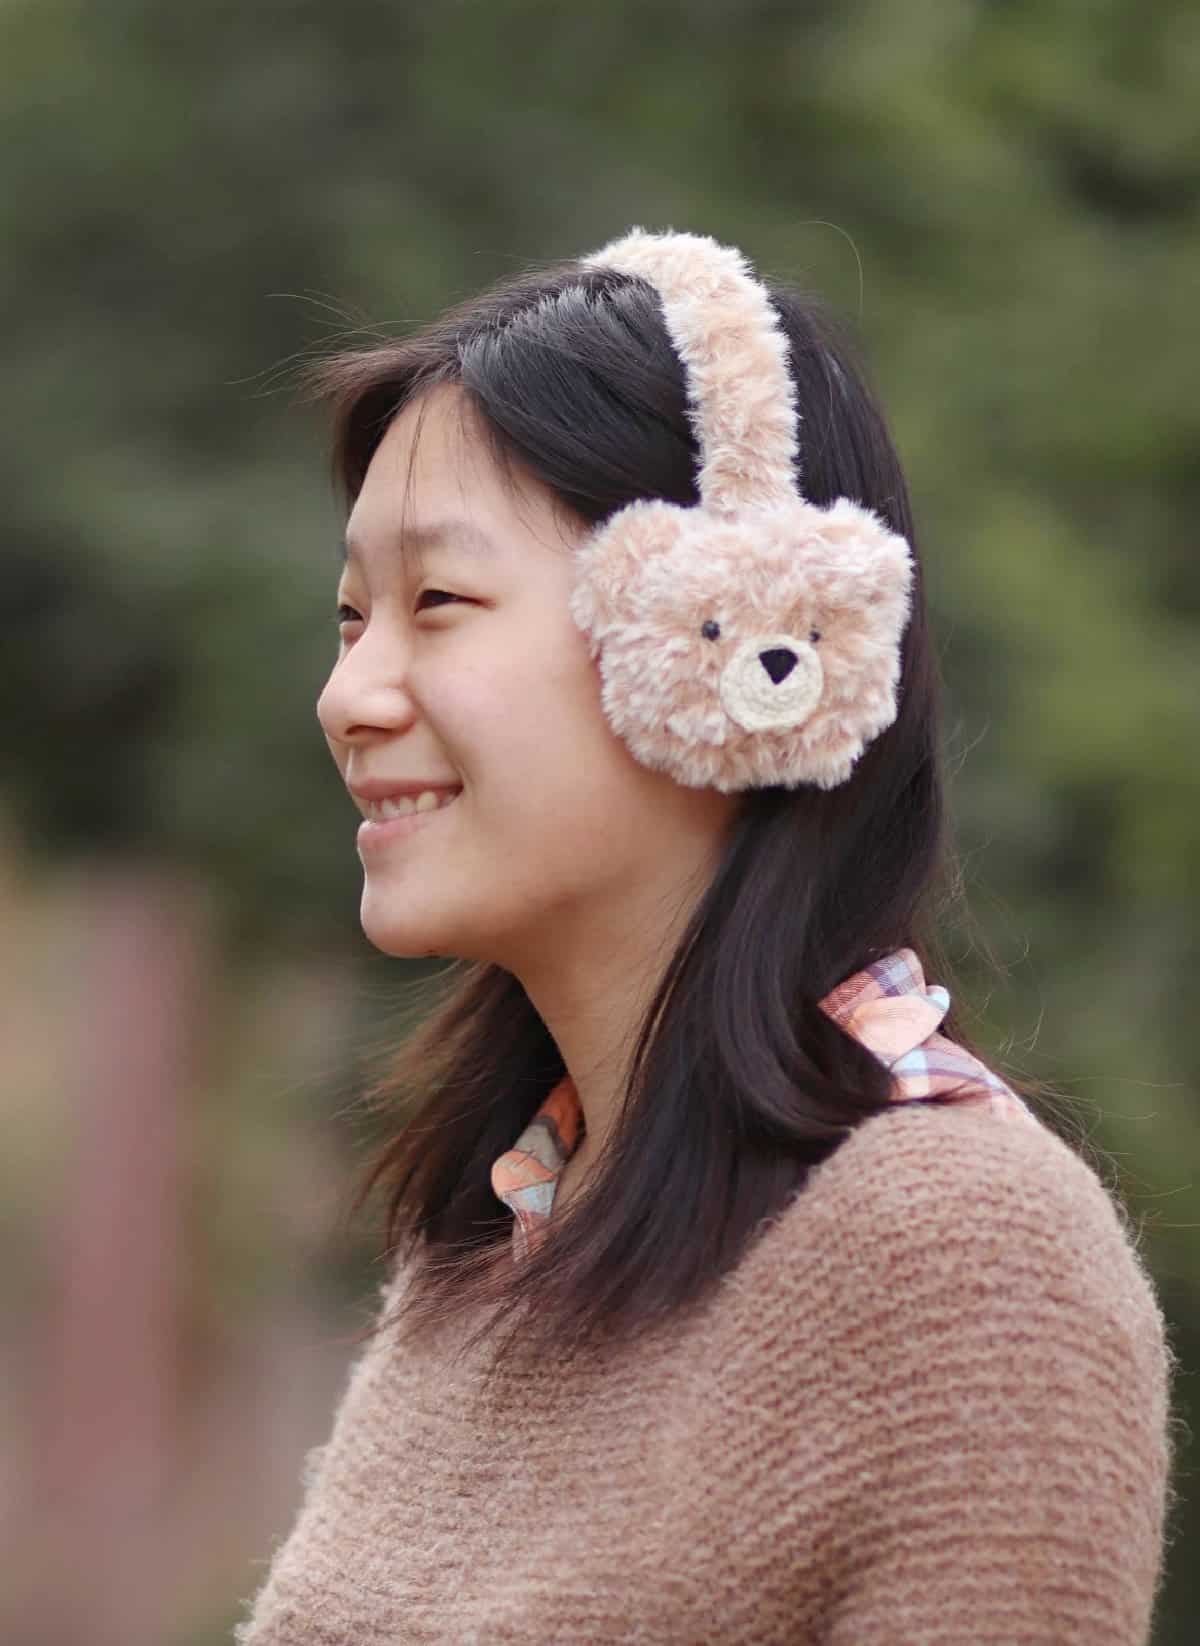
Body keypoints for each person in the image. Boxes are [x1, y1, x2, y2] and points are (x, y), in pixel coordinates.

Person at [235, 230, 1176, 1644]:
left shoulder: (963, 1262)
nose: (349, 694)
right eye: (352, 615)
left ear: (729, 643)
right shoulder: (499, 1235)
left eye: (437, 603)